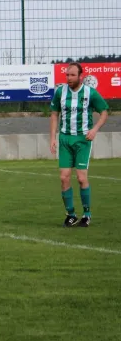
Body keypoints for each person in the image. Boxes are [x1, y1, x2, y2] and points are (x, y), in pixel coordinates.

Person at [49, 62, 109, 227]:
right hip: (65, 139)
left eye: (72, 75)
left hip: (83, 140)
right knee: (64, 177)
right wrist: (53, 137)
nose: (68, 78)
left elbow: (104, 112)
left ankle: (87, 214)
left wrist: (95, 129)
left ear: (80, 76)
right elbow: (54, 114)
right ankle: (71, 214)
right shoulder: (60, 92)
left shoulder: (90, 93)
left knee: (82, 178)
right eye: (67, 75)